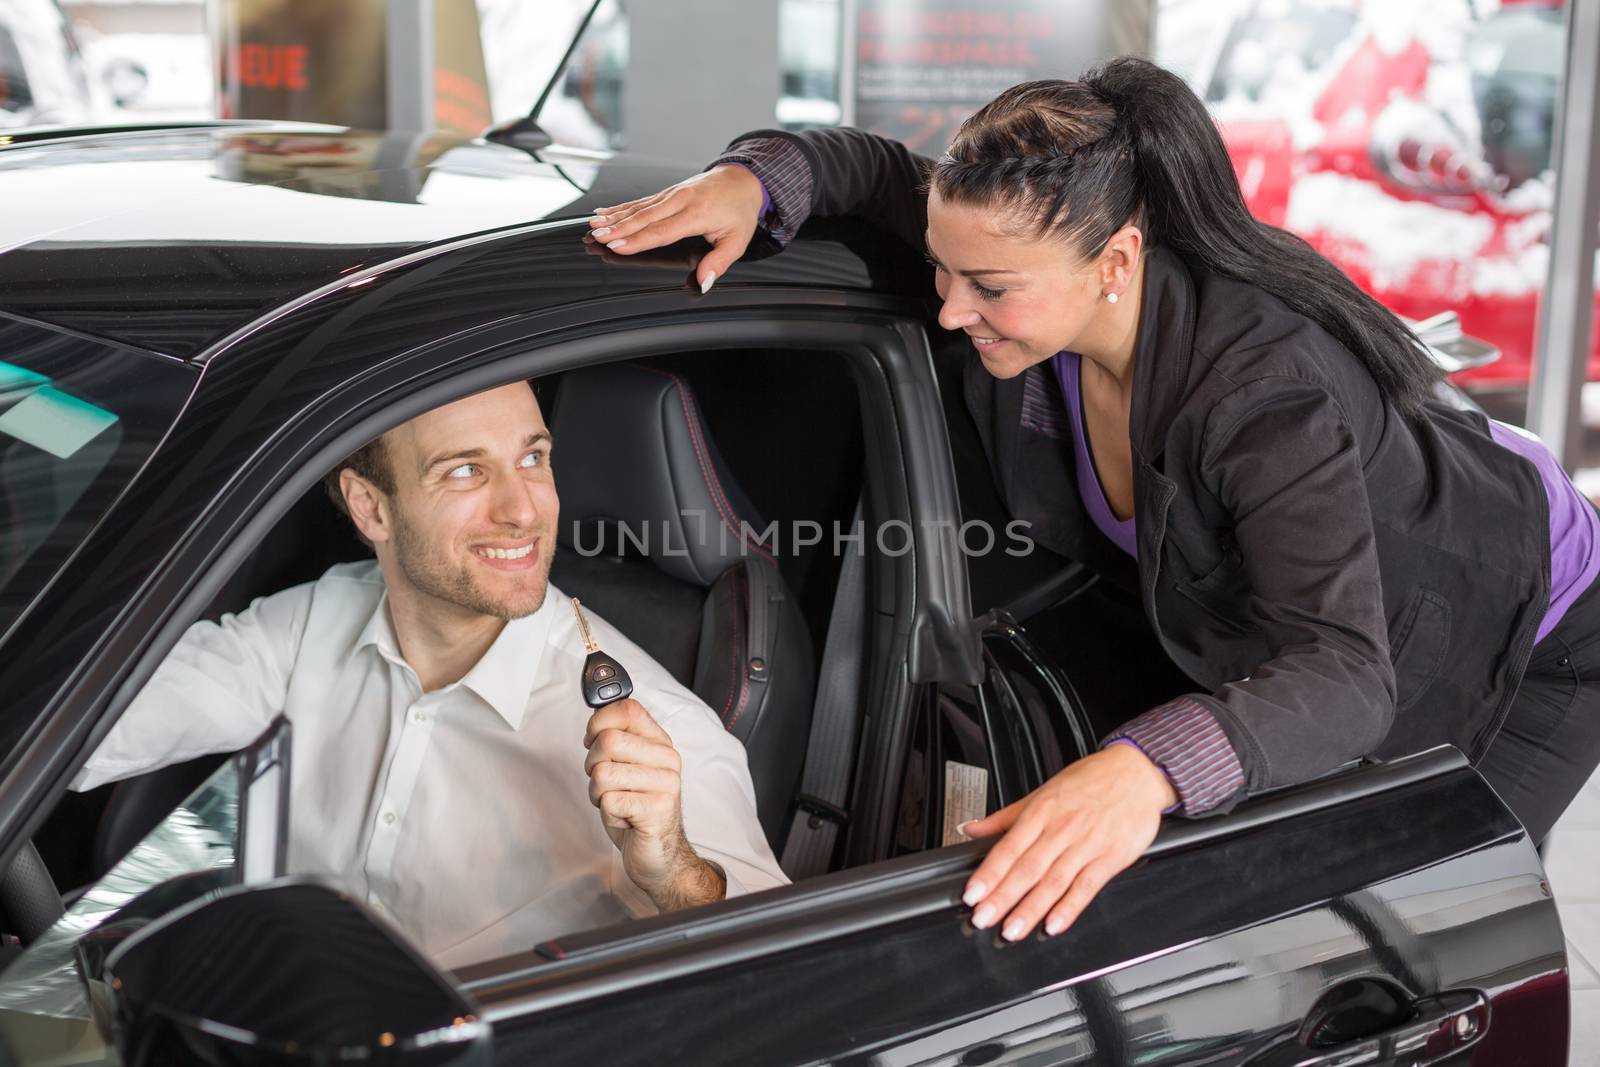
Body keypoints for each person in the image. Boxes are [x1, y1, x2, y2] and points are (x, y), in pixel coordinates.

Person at [587, 56, 1600, 946]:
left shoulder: (1259, 392)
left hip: (1527, 617)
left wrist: (1143, 771)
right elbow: (875, 173)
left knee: (1435, 917)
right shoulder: (1018, 247)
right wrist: (753, 177)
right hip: (1375, 535)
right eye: (942, 270)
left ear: (1114, 262)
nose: (948, 307)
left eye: (985, 286)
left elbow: (1341, 672)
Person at [75, 381, 786, 967]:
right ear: (370, 506)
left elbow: (791, 980)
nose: (523, 508)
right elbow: (89, 724)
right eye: (466, 470)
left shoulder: (665, 735)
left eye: (533, 457)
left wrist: (675, 871)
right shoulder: (313, 620)